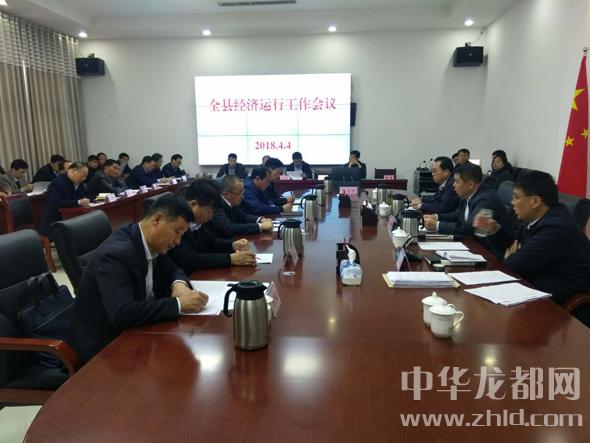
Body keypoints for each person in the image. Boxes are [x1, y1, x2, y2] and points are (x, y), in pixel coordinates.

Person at [71, 194, 208, 362]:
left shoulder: (149, 241)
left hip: (140, 330)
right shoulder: (115, 254)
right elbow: (123, 314)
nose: (178, 241)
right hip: (107, 347)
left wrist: (178, 284)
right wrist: (179, 304)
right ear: (157, 220)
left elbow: (173, 269)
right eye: (177, 232)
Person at [474, 171, 590, 306]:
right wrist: (494, 230)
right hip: (534, 285)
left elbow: (513, 264)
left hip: (560, 300)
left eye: (516, 197)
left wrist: (512, 256)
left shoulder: (556, 228)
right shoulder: (537, 218)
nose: (512, 203)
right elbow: (512, 245)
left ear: (535, 201)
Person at [423, 163, 513, 258]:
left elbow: (470, 228)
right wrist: (436, 217)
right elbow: (457, 215)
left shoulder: (486, 200)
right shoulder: (468, 195)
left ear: (470, 184)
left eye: (457, 181)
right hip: (472, 245)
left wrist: (437, 225)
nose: (453, 185)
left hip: (488, 253)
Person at [169, 180, 257, 274]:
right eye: (208, 211)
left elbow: (211, 241)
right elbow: (188, 258)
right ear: (193, 204)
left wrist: (232, 245)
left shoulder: (196, 220)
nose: (211, 217)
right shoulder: (176, 220)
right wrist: (230, 259)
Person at [206, 175, 273, 239]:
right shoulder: (216, 205)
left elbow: (243, 217)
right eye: (239, 193)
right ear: (226, 194)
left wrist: (260, 219)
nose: (243, 197)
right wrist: (260, 226)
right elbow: (229, 228)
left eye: (243, 192)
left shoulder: (232, 202)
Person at [39, 162, 90, 236]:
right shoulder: (58, 182)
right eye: (83, 175)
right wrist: (78, 202)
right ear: (74, 170)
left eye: (85, 176)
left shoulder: (78, 182)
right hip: (55, 221)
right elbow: (56, 203)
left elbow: (85, 196)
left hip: (71, 218)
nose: (84, 178)